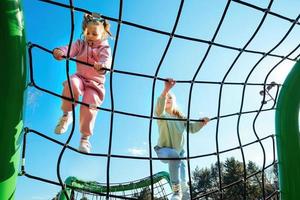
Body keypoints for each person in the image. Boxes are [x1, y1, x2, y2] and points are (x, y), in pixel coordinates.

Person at [52, 13, 112, 153]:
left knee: (90, 105)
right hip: (79, 77)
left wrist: (103, 66)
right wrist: (61, 51)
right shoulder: (81, 43)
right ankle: (66, 115)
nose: (90, 35)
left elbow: (107, 60)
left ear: (102, 34)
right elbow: (70, 49)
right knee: (71, 83)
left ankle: (85, 139)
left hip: (95, 83)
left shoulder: (104, 47)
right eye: (88, 32)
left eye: (94, 33)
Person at [154, 78, 210, 200]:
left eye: (170, 98)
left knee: (184, 181)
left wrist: (201, 123)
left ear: (174, 101)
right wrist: (166, 90)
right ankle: (175, 191)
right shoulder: (161, 115)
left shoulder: (180, 117)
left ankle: (185, 196)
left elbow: (192, 128)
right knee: (174, 156)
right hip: (163, 150)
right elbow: (158, 109)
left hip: (180, 153)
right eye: (166, 98)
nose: (167, 99)